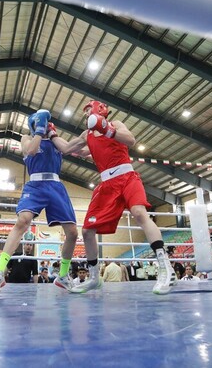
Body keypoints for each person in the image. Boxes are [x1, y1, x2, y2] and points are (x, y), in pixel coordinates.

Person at [59, 100, 176, 295]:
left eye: (88, 109)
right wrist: (49, 133)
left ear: (100, 109)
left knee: (139, 213)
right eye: (85, 111)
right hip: (107, 184)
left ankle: (166, 268)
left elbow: (131, 140)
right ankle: (95, 277)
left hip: (127, 177)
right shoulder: (86, 135)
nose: (86, 113)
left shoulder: (116, 124)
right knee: (88, 231)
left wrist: (106, 129)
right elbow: (67, 148)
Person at [0, 109, 79, 296]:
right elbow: (31, 150)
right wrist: (39, 130)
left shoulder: (56, 141)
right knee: (23, 221)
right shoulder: (26, 138)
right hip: (35, 185)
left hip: (55, 185)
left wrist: (91, 136)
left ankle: (62, 276)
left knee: (73, 233)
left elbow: (76, 149)